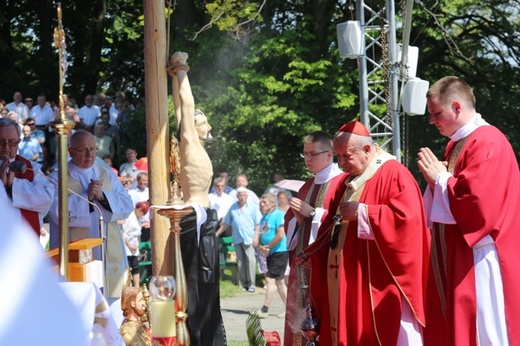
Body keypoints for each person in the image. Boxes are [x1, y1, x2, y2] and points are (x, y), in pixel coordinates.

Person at [417, 76, 520, 346]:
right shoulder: (457, 143)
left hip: (483, 256)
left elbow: (478, 205)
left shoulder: (487, 142)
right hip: (461, 252)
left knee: (485, 331)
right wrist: (437, 180)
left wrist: (440, 179)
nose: (432, 121)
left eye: (436, 113)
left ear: (456, 107)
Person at [306, 121, 429, 345]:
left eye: (347, 156)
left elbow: (408, 223)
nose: (342, 163)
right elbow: (331, 227)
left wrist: (363, 213)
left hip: (377, 284)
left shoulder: (394, 174)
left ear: (367, 150)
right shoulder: (346, 181)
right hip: (348, 280)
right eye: (339, 156)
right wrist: (313, 252)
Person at [170, 51, 226, 345]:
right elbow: (185, 108)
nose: (209, 126)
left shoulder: (194, 145)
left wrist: (173, 77)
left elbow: (181, 110)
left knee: (206, 286)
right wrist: (181, 70)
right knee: (200, 284)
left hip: (202, 217)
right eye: (203, 122)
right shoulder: (190, 142)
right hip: (197, 217)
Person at [48, 130, 134, 298]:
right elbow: (55, 212)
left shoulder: (106, 174)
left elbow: (127, 204)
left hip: (107, 250)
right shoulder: (57, 178)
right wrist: (86, 197)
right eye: (83, 150)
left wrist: (103, 197)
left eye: (92, 149)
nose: (89, 154)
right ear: (70, 151)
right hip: (77, 250)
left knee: (110, 300)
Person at [282, 130, 348, 345]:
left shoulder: (342, 183)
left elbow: (341, 221)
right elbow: (293, 222)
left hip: (327, 265)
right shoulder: (307, 186)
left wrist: (313, 213)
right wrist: (299, 220)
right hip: (303, 265)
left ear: (329, 154)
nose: (308, 159)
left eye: (313, 154)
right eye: (305, 154)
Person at [0, 118, 54, 235]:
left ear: (19, 142)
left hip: (25, 240)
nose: (6, 147)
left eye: (12, 142)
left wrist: (13, 185)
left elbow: (47, 197)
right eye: (1, 141)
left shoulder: (31, 168)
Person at [216, 187, 261, 292]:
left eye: (244, 195)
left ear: (247, 196)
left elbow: (258, 224)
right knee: (240, 261)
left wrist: (256, 237)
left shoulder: (252, 207)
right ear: (237, 196)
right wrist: (217, 233)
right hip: (237, 237)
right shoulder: (233, 207)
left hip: (249, 237)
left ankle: (251, 284)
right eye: (240, 195)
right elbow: (227, 223)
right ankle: (244, 283)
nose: (242, 197)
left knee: (250, 260)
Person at [253, 193, 288, 318]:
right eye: (261, 202)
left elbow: (280, 234)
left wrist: (268, 246)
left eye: (265, 202)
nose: (262, 204)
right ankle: (290, 310)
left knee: (270, 279)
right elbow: (264, 234)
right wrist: (262, 246)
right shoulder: (264, 218)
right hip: (270, 252)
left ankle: (264, 309)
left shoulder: (279, 215)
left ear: (273, 203)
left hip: (280, 251)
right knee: (279, 282)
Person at [120, 201, 150, 287]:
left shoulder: (139, 219)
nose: (143, 215)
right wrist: (129, 245)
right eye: (143, 212)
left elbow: (138, 234)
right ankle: (127, 286)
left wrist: (136, 244)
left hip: (135, 245)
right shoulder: (129, 216)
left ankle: (136, 286)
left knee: (136, 267)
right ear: (139, 209)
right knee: (127, 267)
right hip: (126, 244)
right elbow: (123, 232)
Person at [128, 171, 151, 242]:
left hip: (149, 223)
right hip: (137, 224)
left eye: (147, 180)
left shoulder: (150, 192)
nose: (145, 182)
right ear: (138, 181)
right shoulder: (131, 193)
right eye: (143, 180)